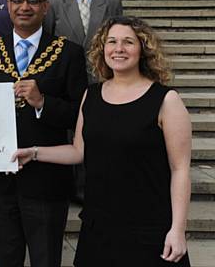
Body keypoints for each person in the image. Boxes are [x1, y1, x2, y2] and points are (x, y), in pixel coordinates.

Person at [13, 16, 192, 267]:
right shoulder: (92, 95)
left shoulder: (166, 100)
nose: (119, 48)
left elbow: (180, 169)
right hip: (99, 225)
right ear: (102, 48)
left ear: (143, 50)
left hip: (149, 226)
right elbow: (78, 151)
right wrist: (33, 153)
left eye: (128, 42)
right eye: (112, 41)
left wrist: (178, 229)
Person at [0, 0, 87, 267]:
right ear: (8, 4)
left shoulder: (68, 53)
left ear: (45, 6)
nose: (24, 7)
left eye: (33, 0)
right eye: (17, 0)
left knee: (45, 258)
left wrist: (43, 103)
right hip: (0, 178)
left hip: (46, 178)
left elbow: (79, 114)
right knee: (5, 257)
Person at [44, 0, 124, 202]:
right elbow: (48, 39)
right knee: (72, 134)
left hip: (102, 78)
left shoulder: (111, 0)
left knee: (101, 133)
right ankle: (74, 188)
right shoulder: (54, 0)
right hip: (67, 81)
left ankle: (97, 186)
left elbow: (119, 38)